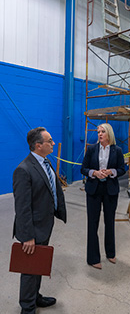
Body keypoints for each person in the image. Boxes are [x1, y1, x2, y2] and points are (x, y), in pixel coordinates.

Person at [13, 127, 67, 314]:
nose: (53, 143)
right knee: (29, 269)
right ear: (38, 145)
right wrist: (27, 236)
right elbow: (22, 207)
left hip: (45, 224)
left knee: (39, 264)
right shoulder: (23, 170)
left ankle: (35, 297)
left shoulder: (45, 162)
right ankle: (27, 308)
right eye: (49, 141)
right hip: (32, 229)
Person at [81, 123, 125, 269]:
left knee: (109, 222)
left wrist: (111, 172)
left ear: (109, 134)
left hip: (110, 189)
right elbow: (83, 168)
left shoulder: (117, 150)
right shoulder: (92, 149)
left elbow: (122, 169)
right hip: (93, 189)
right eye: (98, 132)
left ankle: (110, 253)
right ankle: (93, 258)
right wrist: (94, 173)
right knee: (92, 224)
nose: (100, 134)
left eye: (103, 132)